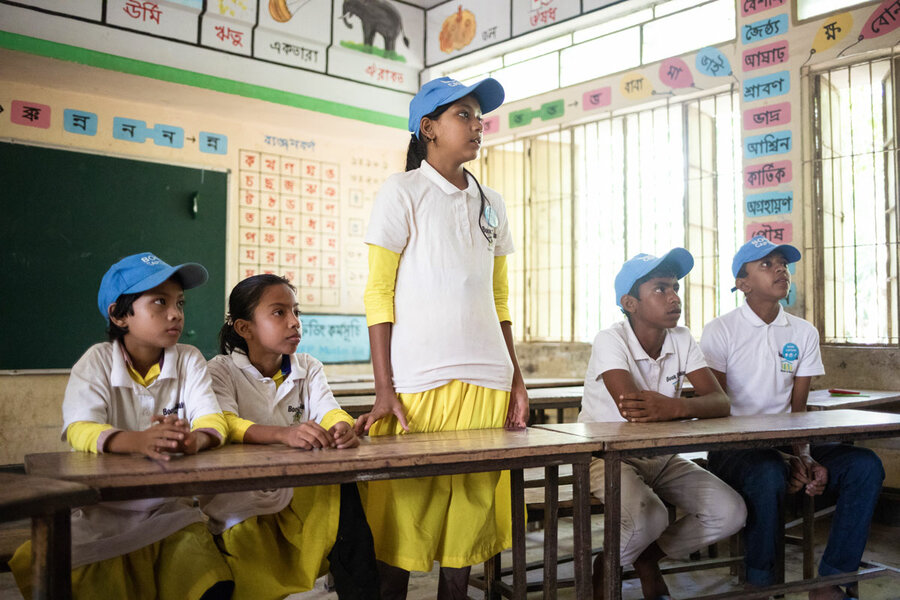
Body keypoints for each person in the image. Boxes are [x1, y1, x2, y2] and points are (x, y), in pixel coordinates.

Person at [355, 76, 529, 600]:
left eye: (479, 116)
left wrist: (517, 380)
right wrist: (385, 387)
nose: (477, 125)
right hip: (418, 383)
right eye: (463, 115)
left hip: (488, 383)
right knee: (402, 525)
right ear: (427, 128)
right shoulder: (401, 191)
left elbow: (499, 302)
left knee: (467, 534)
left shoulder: (491, 201)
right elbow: (377, 295)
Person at [9, 252, 233, 600]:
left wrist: (197, 441)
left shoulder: (189, 358)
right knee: (64, 573)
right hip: (101, 513)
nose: (175, 313)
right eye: (159, 302)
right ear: (118, 314)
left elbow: (212, 419)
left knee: (212, 586)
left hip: (170, 510)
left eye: (180, 302)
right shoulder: (96, 361)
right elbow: (80, 428)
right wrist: (138, 441)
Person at [700, 236, 884, 600]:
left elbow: (797, 413)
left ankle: (830, 581)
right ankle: (760, 584)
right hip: (732, 447)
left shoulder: (802, 332)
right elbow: (715, 412)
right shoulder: (720, 330)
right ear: (743, 283)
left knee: (864, 466)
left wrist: (804, 456)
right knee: (767, 472)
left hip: (788, 439)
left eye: (783, 263)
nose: (780, 269)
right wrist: (786, 459)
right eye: (766, 265)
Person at [579, 248, 746, 600]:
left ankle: (645, 559)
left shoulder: (682, 338)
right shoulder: (611, 339)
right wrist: (683, 407)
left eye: (675, 288)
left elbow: (720, 403)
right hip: (605, 456)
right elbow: (633, 408)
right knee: (650, 516)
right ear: (630, 303)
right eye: (660, 289)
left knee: (729, 512)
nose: (674, 297)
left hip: (662, 455)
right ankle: (607, 565)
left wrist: (670, 407)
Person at [202, 274, 379, 600]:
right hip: (244, 500)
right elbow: (224, 423)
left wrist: (341, 426)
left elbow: (329, 408)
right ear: (245, 328)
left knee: (346, 493)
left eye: (295, 311)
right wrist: (283, 434)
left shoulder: (307, 367)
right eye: (279, 312)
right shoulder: (220, 370)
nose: (295, 322)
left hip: (299, 494)